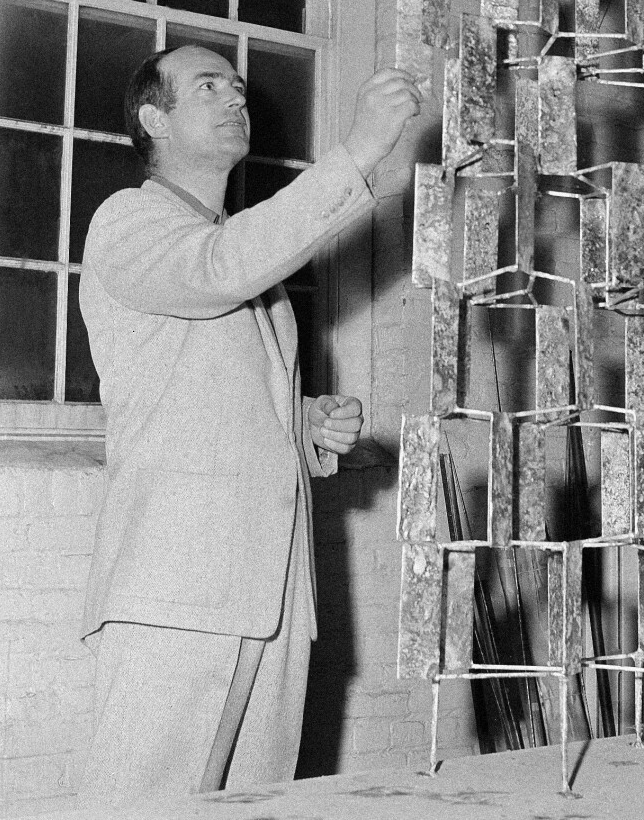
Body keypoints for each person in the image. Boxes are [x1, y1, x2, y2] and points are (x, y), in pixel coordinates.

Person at [76, 45, 419, 804]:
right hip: (176, 592)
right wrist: (359, 150)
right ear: (153, 118)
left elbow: (204, 397)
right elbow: (216, 271)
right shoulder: (129, 223)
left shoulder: (244, 257)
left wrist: (305, 425)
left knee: (259, 805)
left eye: (237, 85)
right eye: (208, 86)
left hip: (273, 593)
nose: (236, 95)